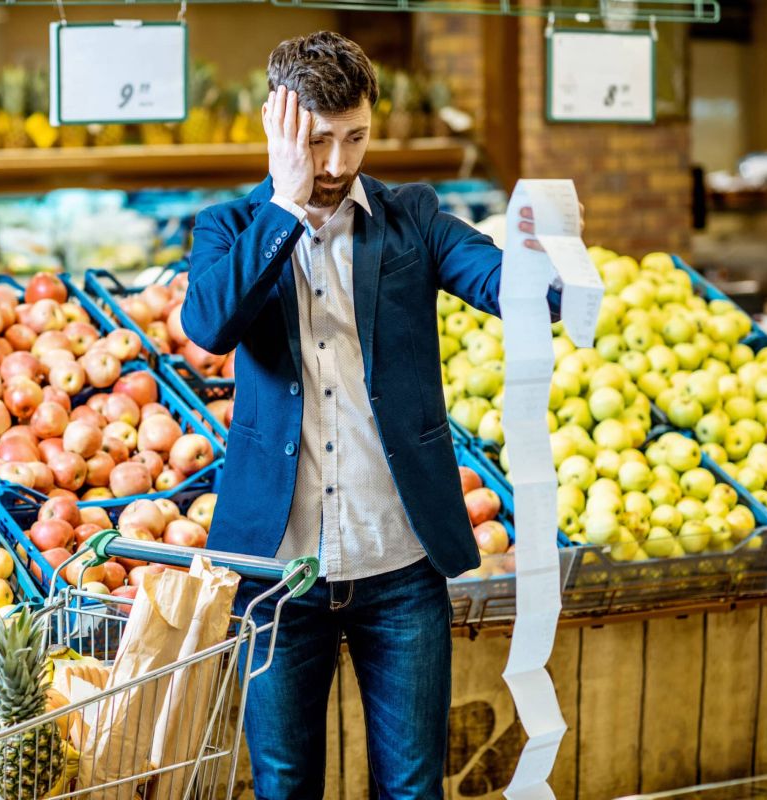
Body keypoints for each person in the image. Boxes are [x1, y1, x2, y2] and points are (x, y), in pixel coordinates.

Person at [180, 31, 562, 800]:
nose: (335, 163)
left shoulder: (411, 216)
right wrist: (285, 202)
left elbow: (511, 288)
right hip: (277, 575)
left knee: (414, 789)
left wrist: (551, 255)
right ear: (278, 124)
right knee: (284, 786)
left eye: (354, 137)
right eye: (317, 141)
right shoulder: (229, 228)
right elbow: (208, 325)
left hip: (399, 568)